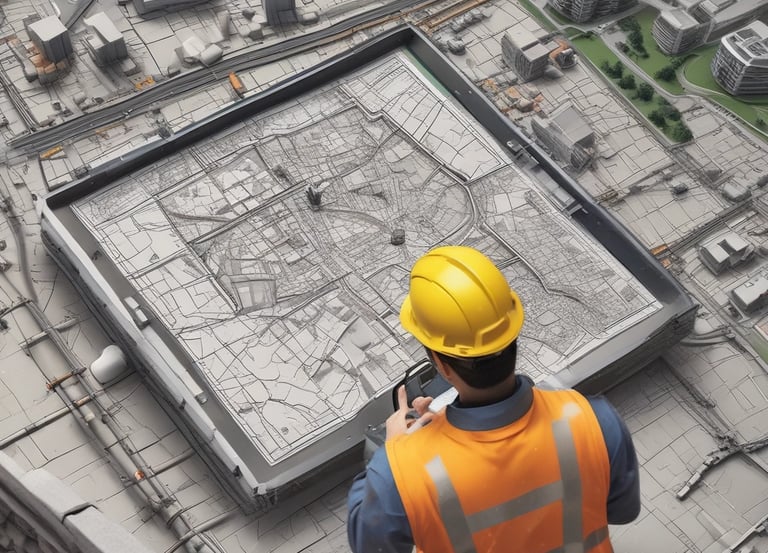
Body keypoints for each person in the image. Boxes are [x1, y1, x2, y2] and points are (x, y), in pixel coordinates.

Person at [347, 245, 640, 553]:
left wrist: (395, 451)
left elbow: (371, 545)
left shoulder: (398, 475)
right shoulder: (596, 421)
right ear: (512, 334)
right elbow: (622, 512)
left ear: (442, 364)